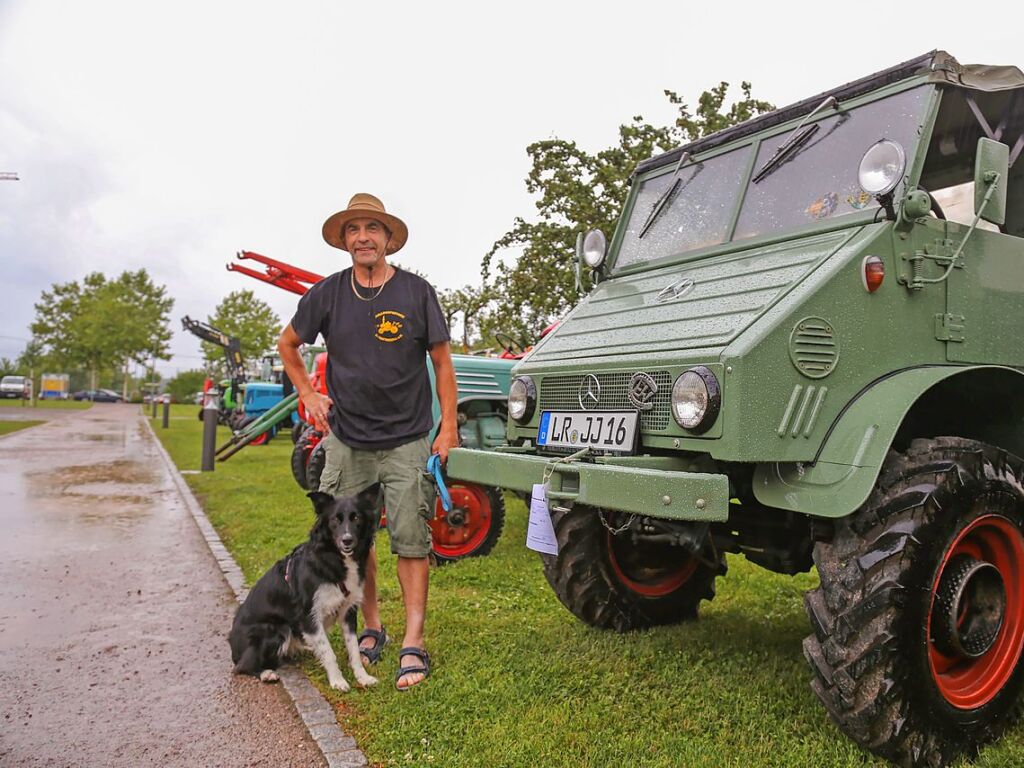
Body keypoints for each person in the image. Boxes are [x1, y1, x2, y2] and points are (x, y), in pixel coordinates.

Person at [277, 193, 458, 691]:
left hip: (406, 438)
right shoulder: (328, 294)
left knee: (411, 538)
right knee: (354, 541)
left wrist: (448, 427)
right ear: (344, 241)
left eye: (372, 228)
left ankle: (413, 643)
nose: (363, 237)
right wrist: (308, 391)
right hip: (348, 439)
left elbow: (443, 362)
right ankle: (372, 624)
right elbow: (288, 344)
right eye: (353, 229)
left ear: (388, 238)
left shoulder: (417, 292)